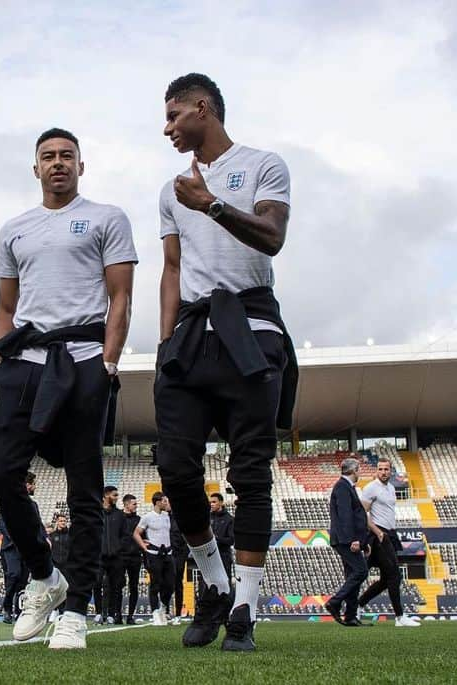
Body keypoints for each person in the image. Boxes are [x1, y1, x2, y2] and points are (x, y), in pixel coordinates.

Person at [153, 73, 296, 652]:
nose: (166, 127)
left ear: (202, 108)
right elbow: (170, 268)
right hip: (190, 337)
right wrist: (164, 346)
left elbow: (272, 237)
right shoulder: (170, 190)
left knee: (250, 472)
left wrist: (210, 203)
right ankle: (214, 585)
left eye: (173, 115)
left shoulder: (264, 164)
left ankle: (244, 608)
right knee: (175, 465)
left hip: (251, 330)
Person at [0, 127, 137, 650]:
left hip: (83, 358)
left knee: (84, 487)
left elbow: (120, 297)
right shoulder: (15, 228)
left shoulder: (107, 217)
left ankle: (75, 611)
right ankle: (46, 576)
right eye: (48, 156)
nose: (57, 163)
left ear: (80, 164)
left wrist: (109, 361)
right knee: (2, 473)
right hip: (22, 359)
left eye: (66, 156)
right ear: (35, 168)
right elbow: (6, 306)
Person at [358, 458, 420, 627]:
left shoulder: (391, 488)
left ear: (391, 470)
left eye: (386, 469)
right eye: (381, 469)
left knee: (386, 579)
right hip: (379, 534)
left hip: (390, 534)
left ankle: (358, 604)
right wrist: (377, 532)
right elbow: (362, 514)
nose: (384, 472)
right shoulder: (371, 488)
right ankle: (400, 617)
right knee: (394, 576)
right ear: (376, 471)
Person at [325, 458, 369, 627]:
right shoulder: (342, 487)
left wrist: (362, 541)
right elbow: (346, 516)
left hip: (348, 539)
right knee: (361, 571)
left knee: (353, 574)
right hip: (346, 540)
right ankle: (335, 602)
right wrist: (354, 540)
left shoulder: (346, 487)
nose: (360, 473)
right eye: (358, 470)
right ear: (353, 471)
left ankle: (350, 615)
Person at [0, 472, 43, 623]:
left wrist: (46, 538)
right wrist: (15, 537)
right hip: (11, 548)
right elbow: (1, 522)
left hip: (27, 548)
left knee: (23, 582)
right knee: (13, 575)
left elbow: (38, 524)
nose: (34, 487)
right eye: (33, 484)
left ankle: (18, 612)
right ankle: (7, 607)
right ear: (27, 485)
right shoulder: (8, 501)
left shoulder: (33, 505)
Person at [134, 492, 175, 626]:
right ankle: (155, 611)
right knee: (155, 583)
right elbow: (136, 533)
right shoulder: (147, 517)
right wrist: (143, 546)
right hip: (153, 553)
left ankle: (164, 606)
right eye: (164, 501)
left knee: (170, 583)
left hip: (167, 553)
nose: (166, 503)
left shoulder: (167, 516)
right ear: (157, 502)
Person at [94, 486, 127, 624]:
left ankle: (112, 614)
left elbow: (124, 535)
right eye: (114, 495)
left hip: (116, 557)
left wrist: (118, 548)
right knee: (96, 583)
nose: (116, 497)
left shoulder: (119, 514)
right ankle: (98, 613)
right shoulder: (96, 513)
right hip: (99, 556)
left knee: (115, 586)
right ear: (106, 495)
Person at [120, 494, 143, 624]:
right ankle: (116, 615)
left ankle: (130, 616)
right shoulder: (118, 518)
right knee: (118, 585)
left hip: (135, 557)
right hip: (121, 557)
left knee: (134, 586)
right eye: (134, 504)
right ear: (126, 504)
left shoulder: (139, 520)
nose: (136, 506)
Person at [169, 504, 191, 623]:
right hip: (167, 554)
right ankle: (165, 611)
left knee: (178, 584)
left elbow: (187, 537)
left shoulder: (182, 519)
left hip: (179, 555)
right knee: (166, 584)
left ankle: (177, 613)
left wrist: (184, 553)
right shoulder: (164, 518)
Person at [209, 493, 235, 583]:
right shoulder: (208, 517)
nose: (211, 504)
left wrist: (217, 539)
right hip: (209, 556)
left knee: (225, 583)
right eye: (210, 502)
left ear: (220, 503)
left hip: (223, 556)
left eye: (214, 502)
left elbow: (231, 540)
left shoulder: (229, 519)